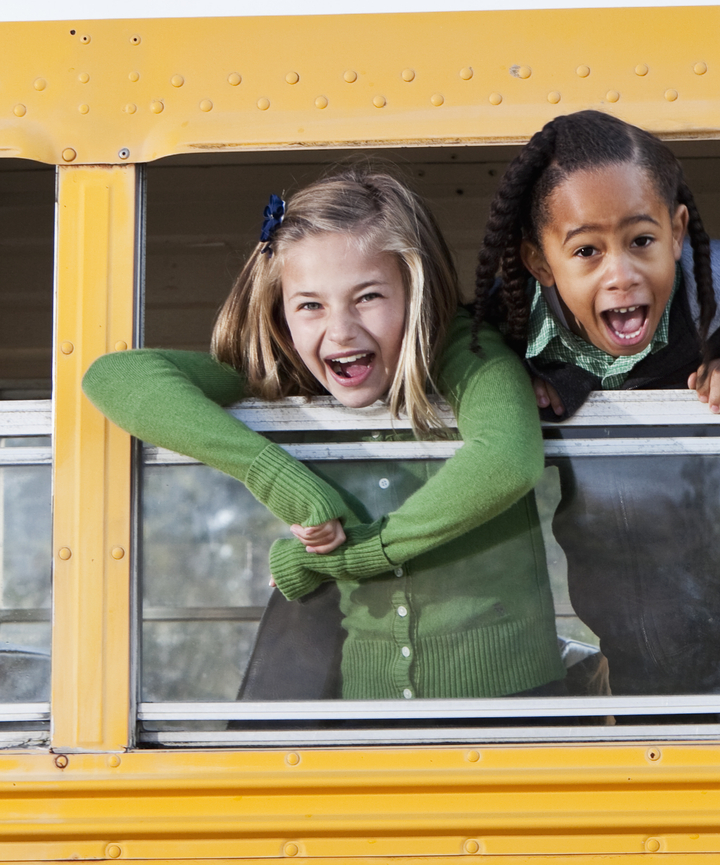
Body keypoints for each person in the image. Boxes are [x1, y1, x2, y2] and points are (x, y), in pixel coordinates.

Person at [85, 165, 562, 701]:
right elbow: (112, 376)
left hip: (515, 712)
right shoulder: (288, 369)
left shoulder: (468, 352)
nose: (340, 330)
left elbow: (508, 458)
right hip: (370, 716)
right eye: (310, 305)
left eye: (368, 297)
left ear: (417, 291)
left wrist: (350, 554)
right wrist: (278, 478)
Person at [472, 111, 720, 696]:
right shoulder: (510, 331)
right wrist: (526, 377)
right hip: (618, 610)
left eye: (641, 241)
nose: (622, 273)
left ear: (677, 232)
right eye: (586, 252)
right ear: (539, 264)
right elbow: (461, 364)